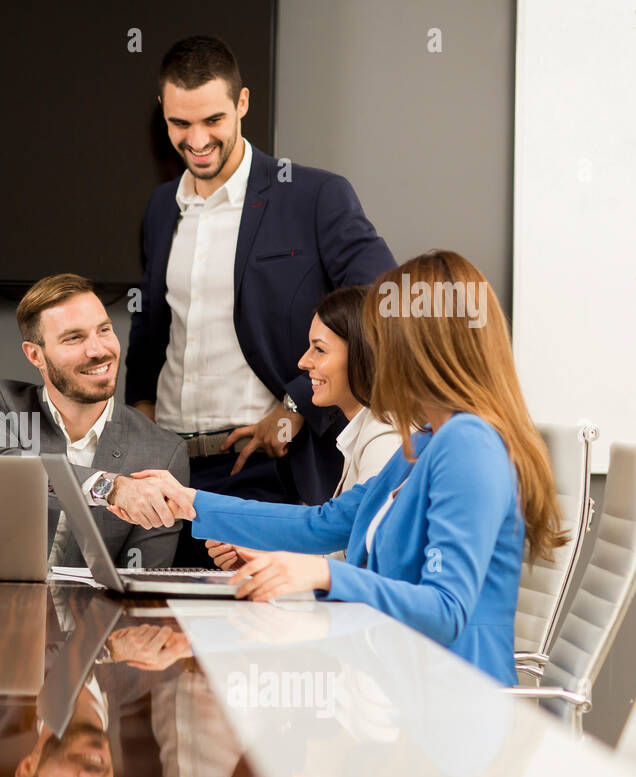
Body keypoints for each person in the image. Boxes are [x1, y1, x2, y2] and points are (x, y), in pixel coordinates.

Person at [114, 251, 566, 686]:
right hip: (395, 689)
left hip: (451, 719)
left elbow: (447, 610)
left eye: (384, 336)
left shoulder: (467, 445)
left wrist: (323, 575)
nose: (375, 352)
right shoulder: (427, 441)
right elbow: (323, 525)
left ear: (424, 346)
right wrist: (190, 503)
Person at [125, 35, 396, 565]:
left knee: (252, 641)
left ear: (243, 103)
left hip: (267, 469)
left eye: (213, 121)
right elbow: (151, 326)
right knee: (156, 630)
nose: (197, 139)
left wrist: (295, 405)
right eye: (180, 124)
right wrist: (139, 420)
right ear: (163, 112)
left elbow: (378, 304)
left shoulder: (314, 196)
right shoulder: (161, 207)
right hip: (168, 466)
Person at [0, 273, 189, 568]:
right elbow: (2, 470)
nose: (98, 351)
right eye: (74, 338)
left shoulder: (164, 452)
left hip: (95, 613)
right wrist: (110, 488)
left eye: (104, 330)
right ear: (35, 355)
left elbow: (144, 581)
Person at [207, 285, 403, 568]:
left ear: (363, 354)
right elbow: (343, 552)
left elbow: (358, 554)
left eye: (319, 349)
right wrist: (260, 559)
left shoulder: (386, 434)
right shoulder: (366, 431)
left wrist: (192, 501)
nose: (303, 362)